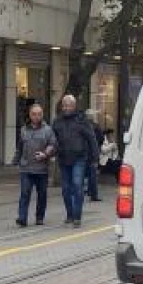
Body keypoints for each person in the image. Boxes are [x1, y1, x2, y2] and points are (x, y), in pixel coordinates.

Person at [52, 94, 98, 228]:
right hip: (63, 158)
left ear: (74, 106)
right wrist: (49, 152)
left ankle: (77, 216)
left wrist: (95, 158)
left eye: (69, 105)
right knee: (66, 189)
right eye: (64, 105)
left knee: (77, 185)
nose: (66, 108)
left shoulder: (82, 120)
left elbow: (92, 139)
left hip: (79, 158)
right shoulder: (57, 121)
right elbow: (51, 139)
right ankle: (70, 214)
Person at [14, 103, 55, 228]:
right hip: (26, 168)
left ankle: (39, 217)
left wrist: (45, 154)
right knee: (25, 193)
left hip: (41, 169)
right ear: (30, 115)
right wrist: (16, 160)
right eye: (34, 114)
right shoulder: (23, 130)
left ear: (42, 115)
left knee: (42, 194)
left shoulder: (47, 130)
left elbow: (52, 144)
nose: (36, 116)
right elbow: (20, 147)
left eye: (39, 114)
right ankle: (22, 218)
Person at [84, 109, 105, 202]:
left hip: (83, 153)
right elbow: (101, 139)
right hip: (93, 153)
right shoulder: (96, 126)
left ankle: (84, 191)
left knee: (82, 174)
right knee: (93, 175)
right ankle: (93, 195)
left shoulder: (82, 126)